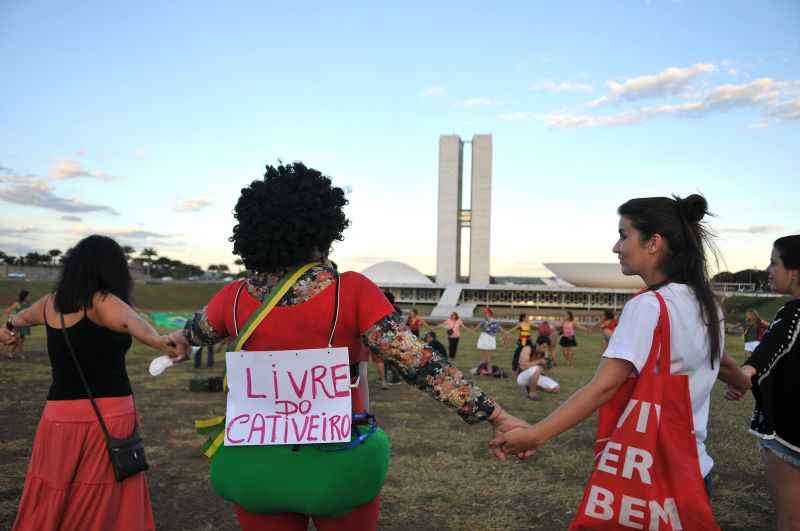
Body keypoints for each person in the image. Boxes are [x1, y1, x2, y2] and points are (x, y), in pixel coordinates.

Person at [165, 162, 529, 531]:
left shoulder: (233, 297)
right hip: (338, 463)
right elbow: (421, 364)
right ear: (325, 229)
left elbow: (190, 335)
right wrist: (497, 416)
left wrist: (175, 345)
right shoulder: (351, 292)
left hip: (256, 465)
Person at [491, 194, 752, 498]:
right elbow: (725, 364)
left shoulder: (648, 305)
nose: (616, 247)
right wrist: (743, 382)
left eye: (623, 235)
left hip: (650, 477)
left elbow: (603, 387)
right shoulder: (707, 304)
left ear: (653, 242)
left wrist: (535, 435)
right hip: (696, 471)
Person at [0, 235, 180, 531]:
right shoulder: (103, 300)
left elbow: (18, 320)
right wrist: (164, 343)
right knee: (106, 498)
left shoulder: (49, 303)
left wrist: (6, 330)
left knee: (57, 489)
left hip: (57, 416)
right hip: (109, 415)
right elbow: (136, 326)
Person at [735, 235, 800, 530]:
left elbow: (774, 345)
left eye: (774, 263)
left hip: (787, 434)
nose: (769, 270)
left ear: (795, 271)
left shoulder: (793, 312)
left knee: (790, 518)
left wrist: (745, 373)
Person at [3, 289, 31, 359]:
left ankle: (11, 353)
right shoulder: (17, 304)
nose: (29, 297)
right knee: (18, 339)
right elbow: (7, 311)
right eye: (28, 296)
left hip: (25, 325)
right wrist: (11, 317)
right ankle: (20, 354)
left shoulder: (28, 305)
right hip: (17, 324)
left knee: (22, 339)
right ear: (24, 296)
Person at [475, 307, 501, 371]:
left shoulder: (494, 321)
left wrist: (506, 333)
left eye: (486, 313)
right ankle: (483, 368)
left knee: (489, 355)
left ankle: (489, 369)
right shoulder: (483, 321)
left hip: (490, 338)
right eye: (484, 313)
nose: (485, 314)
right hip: (484, 337)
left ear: (490, 313)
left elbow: (498, 328)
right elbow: (476, 328)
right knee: (483, 355)